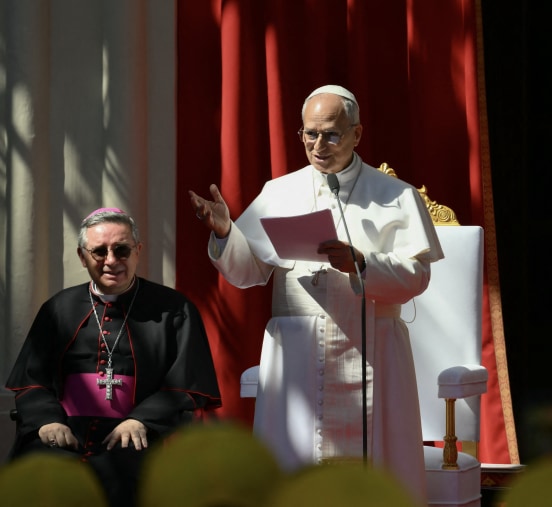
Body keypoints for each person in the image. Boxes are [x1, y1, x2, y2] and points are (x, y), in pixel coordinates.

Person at [188, 84, 443, 502]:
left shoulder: (396, 196)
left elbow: (417, 277)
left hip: (374, 352)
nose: (318, 145)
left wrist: (362, 262)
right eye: (310, 134)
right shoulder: (279, 192)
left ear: (357, 134)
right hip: (300, 360)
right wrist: (226, 233)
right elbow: (249, 272)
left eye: (331, 134)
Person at [5, 208, 222, 507]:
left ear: (138, 252)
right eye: (99, 252)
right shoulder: (58, 308)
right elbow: (31, 380)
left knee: (127, 478)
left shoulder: (174, 309)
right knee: (39, 477)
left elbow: (186, 384)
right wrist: (46, 422)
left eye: (121, 250)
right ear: (82, 257)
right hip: (63, 428)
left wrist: (140, 420)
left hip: (139, 433)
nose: (111, 261)